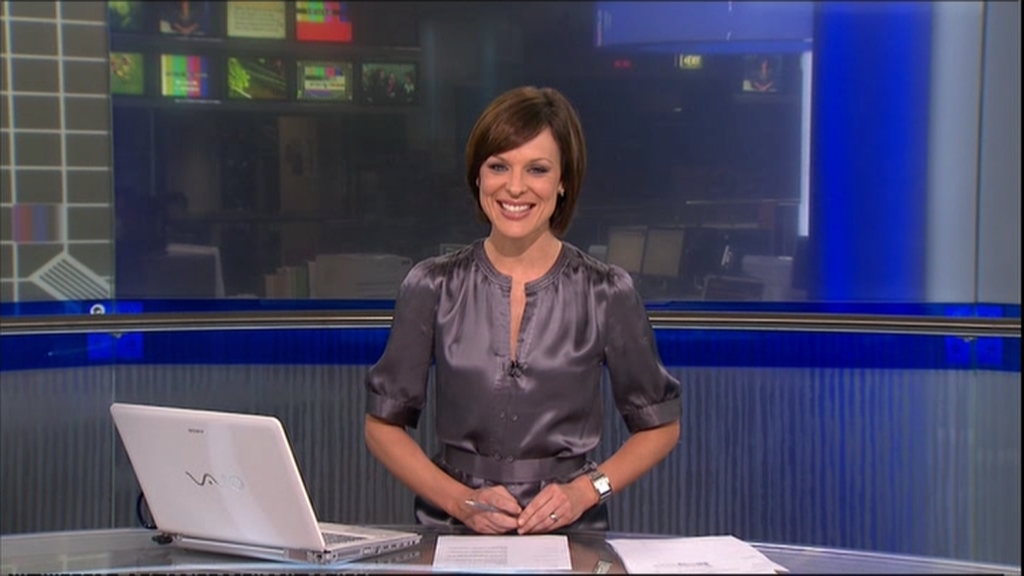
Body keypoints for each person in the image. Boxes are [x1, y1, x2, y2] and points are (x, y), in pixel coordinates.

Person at [364, 86, 682, 535]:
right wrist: (460, 501)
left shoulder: (605, 291)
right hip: (453, 528)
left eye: (537, 169)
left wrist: (587, 491)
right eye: (498, 166)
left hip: (570, 532)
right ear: (478, 177)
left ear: (563, 181)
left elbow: (660, 426)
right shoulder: (432, 285)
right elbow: (381, 426)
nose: (515, 187)